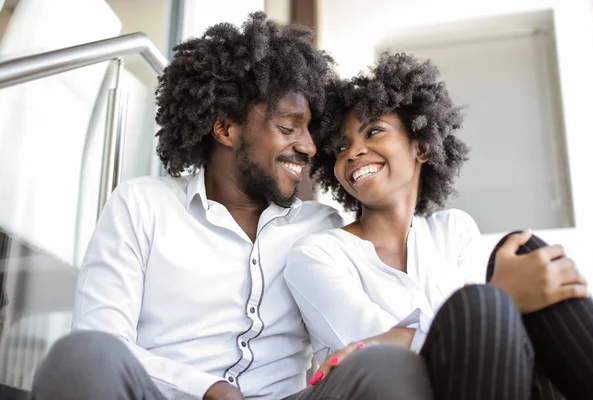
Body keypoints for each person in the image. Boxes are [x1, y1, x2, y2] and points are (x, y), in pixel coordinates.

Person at [30, 14, 437, 400]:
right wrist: (203, 388)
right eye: (287, 127)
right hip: (166, 394)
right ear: (225, 129)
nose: (309, 146)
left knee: (386, 366)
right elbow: (103, 338)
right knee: (81, 356)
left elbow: (359, 333)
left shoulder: (323, 229)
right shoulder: (142, 206)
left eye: (310, 130)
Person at [284, 52, 593, 400]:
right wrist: (502, 297)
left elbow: (490, 339)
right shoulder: (316, 254)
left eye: (373, 132)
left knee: (523, 248)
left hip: (485, 382)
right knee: (489, 301)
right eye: (341, 148)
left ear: (420, 147)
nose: (353, 153)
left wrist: (496, 305)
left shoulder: (454, 230)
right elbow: (379, 355)